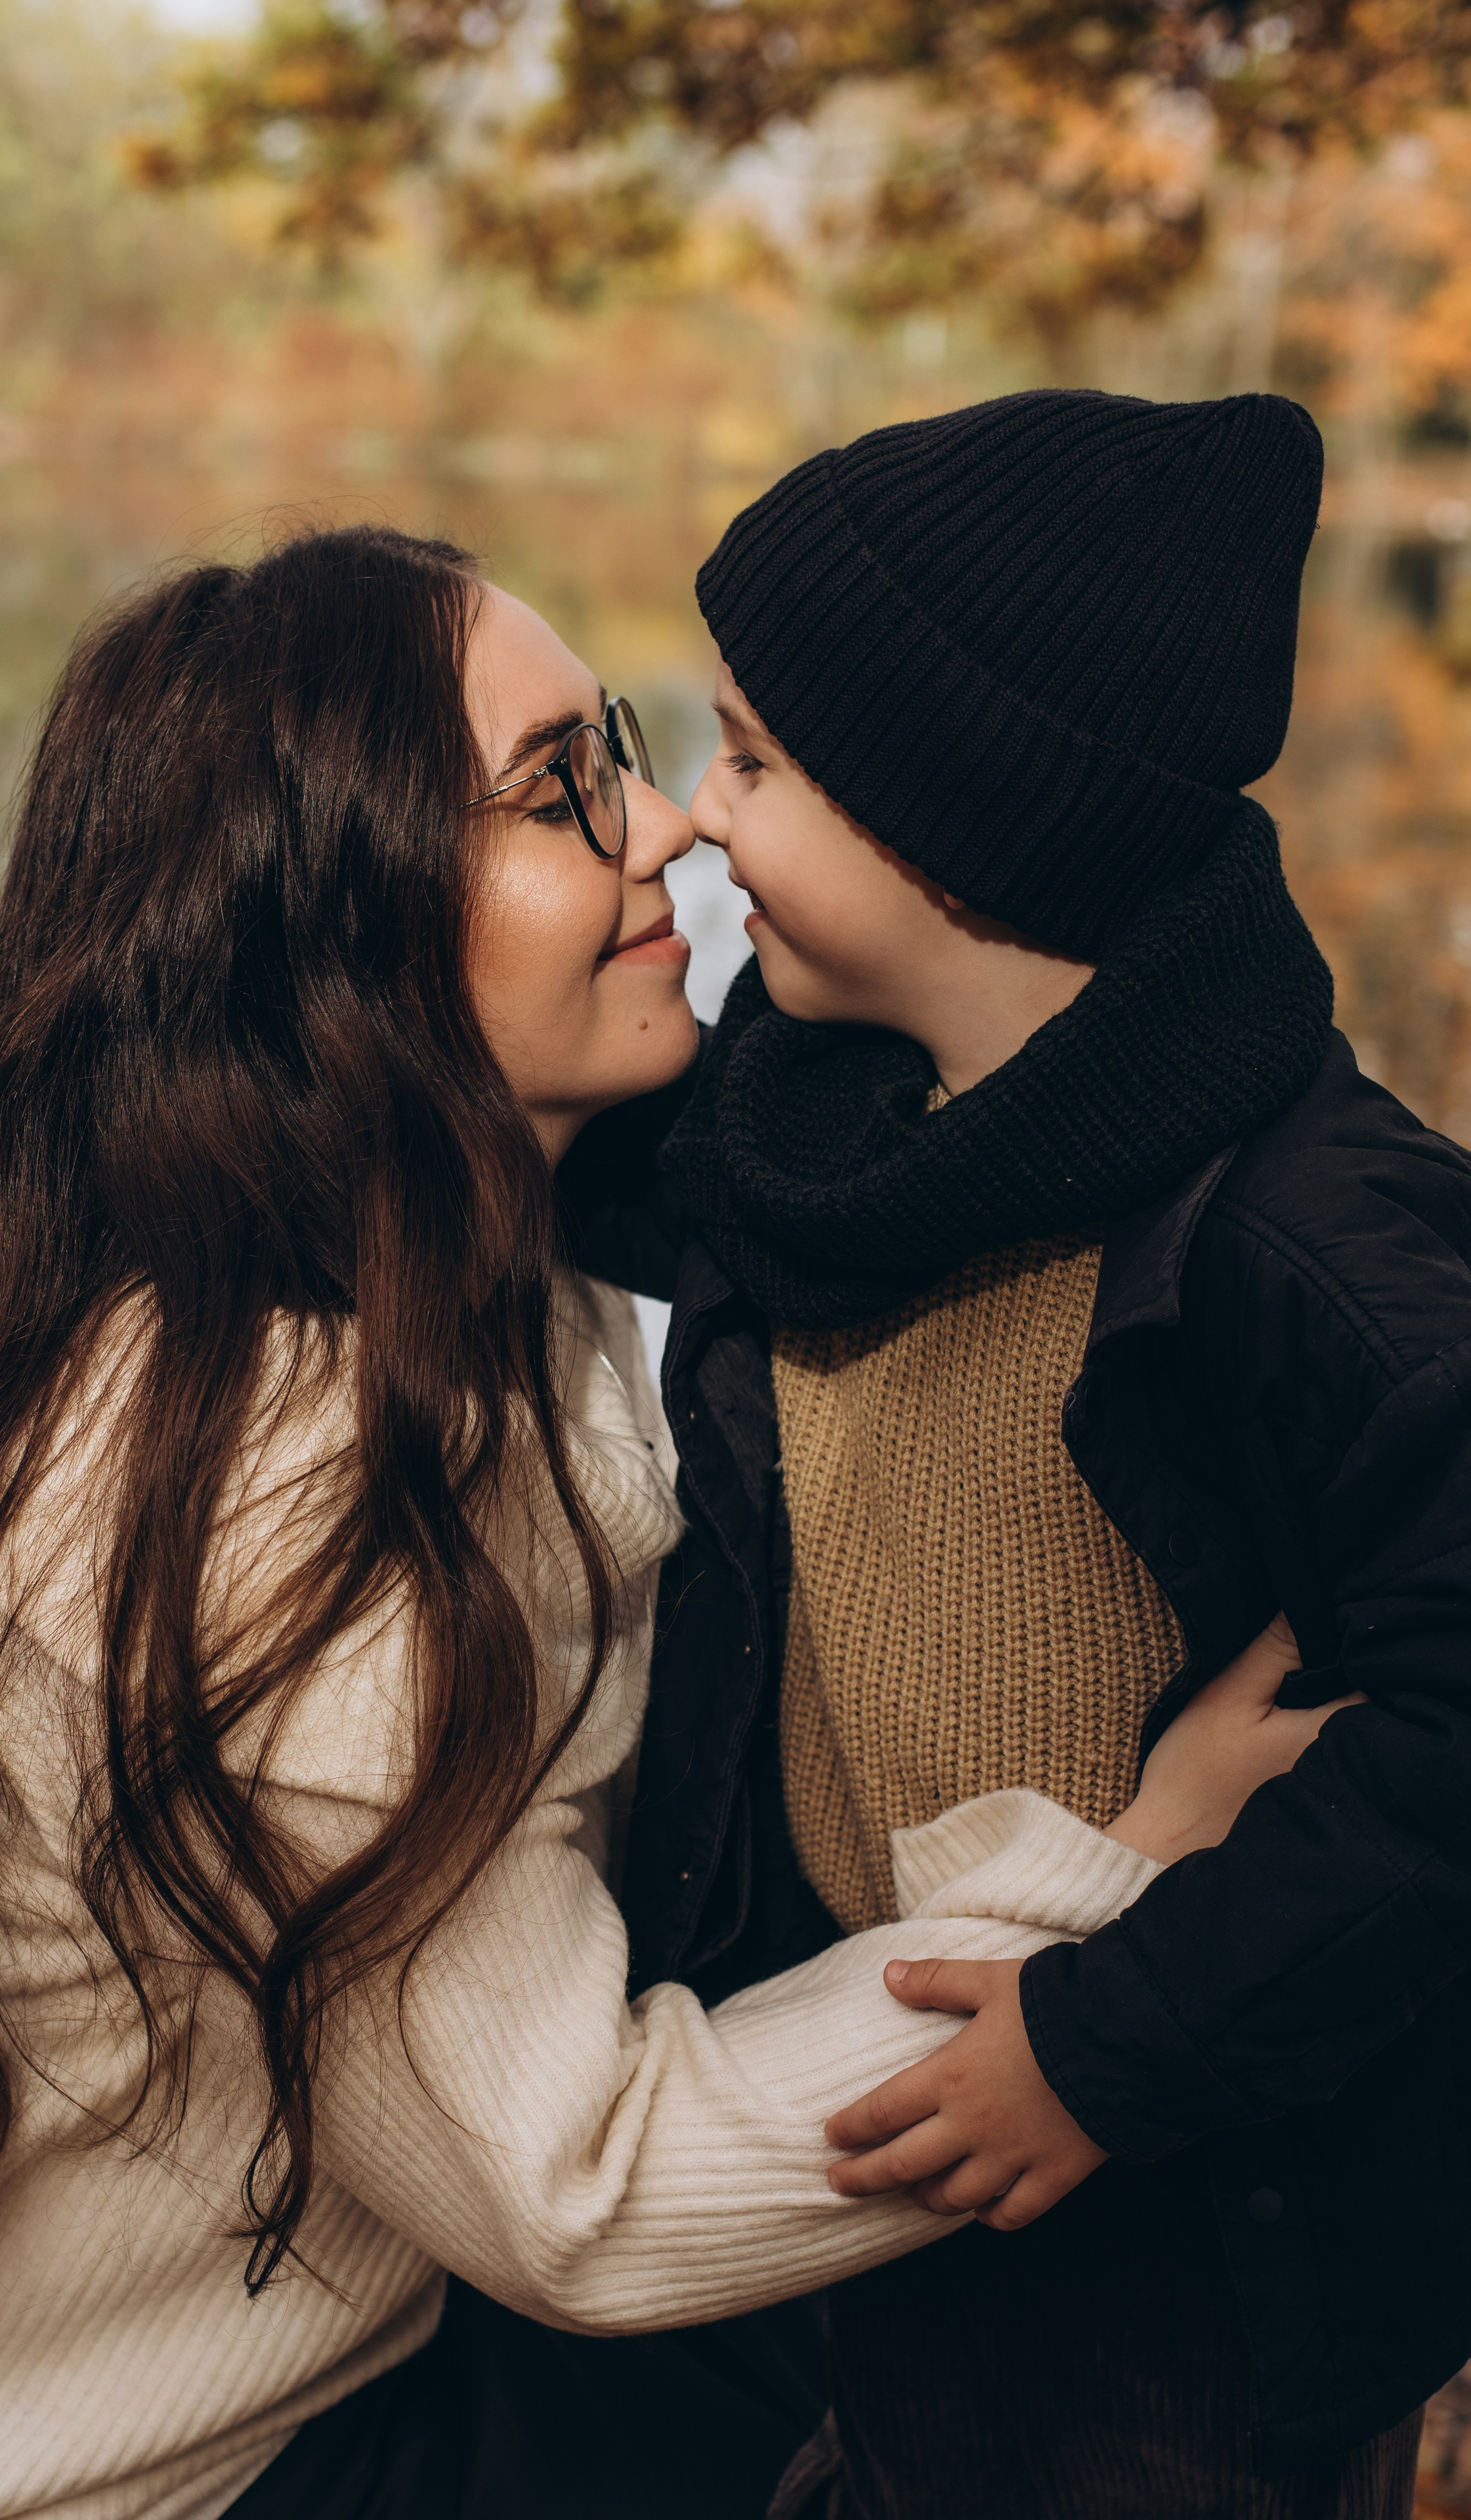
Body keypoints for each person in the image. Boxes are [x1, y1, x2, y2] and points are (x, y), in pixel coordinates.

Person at [0, 523, 1319, 2520]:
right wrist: (1130, 1874)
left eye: (627, 744)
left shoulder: (241, 1281)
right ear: (328, 919)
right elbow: (582, 2192)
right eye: (559, 784)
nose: (671, 819)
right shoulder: (287, 1482)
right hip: (142, 2479)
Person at [561, 388, 1471, 2519]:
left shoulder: (1315, 1247)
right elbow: (513, 1155)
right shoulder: (806, 1130)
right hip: (879, 2106)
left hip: (1180, 2207)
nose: (696, 823)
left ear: (966, 821)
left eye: (758, 761)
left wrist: (1111, 2045)